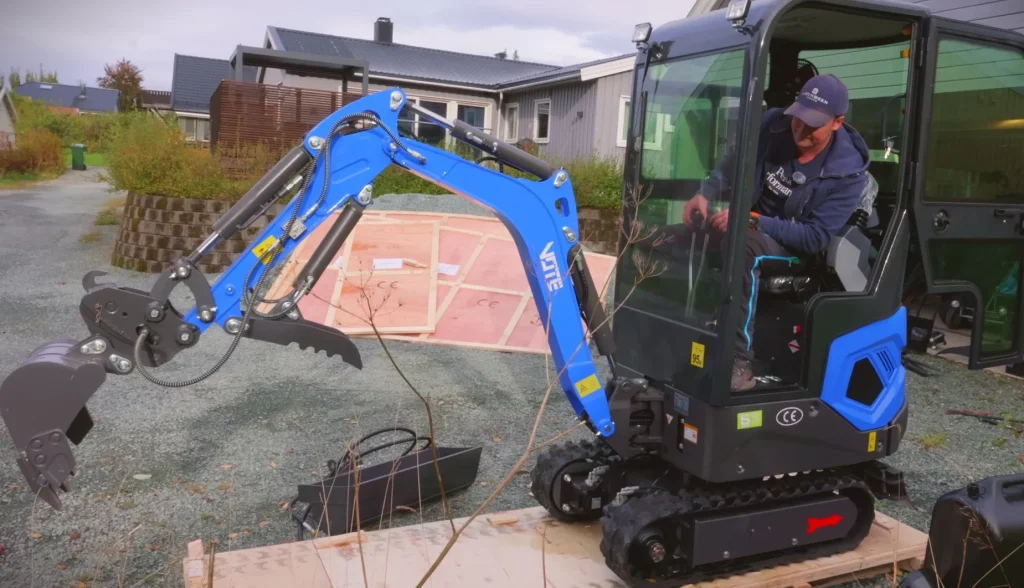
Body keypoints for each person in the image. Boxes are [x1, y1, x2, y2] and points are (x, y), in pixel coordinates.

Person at [683, 73, 871, 391]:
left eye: (813, 124)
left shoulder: (848, 174)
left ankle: (737, 360)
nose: (801, 128)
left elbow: (814, 238)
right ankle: (672, 329)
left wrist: (754, 221)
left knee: (744, 247)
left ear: (838, 122)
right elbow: (735, 159)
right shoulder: (774, 124)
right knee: (679, 236)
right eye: (799, 118)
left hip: (794, 247)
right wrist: (707, 191)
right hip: (750, 227)